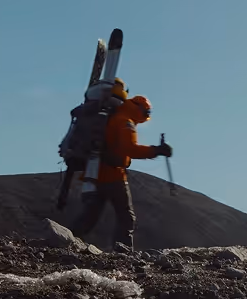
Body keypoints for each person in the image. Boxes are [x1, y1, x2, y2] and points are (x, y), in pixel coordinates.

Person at [70, 91, 172, 251]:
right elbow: (130, 149)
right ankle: (122, 252)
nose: (146, 116)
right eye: (146, 112)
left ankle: (66, 242)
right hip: (114, 176)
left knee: (90, 216)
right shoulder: (125, 122)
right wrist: (156, 150)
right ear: (139, 108)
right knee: (126, 217)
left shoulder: (114, 118)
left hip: (96, 174)